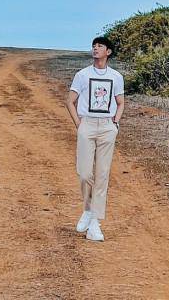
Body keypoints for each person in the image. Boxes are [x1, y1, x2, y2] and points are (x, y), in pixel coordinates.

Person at [65, 35, 124, 242]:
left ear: (108, 52)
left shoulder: (116, 76)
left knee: (102, 174)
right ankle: (88, 210)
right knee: (84, 172)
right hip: (87, 125)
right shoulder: (82, 75)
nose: (95, 49)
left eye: (100, 46)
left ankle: (95, 224)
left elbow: (121, 102)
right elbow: (70, 101)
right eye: (94, 46)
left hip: (107, 127)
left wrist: (115, 123)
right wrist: (79, 125)